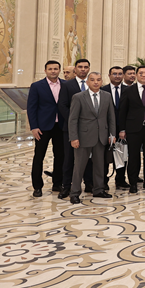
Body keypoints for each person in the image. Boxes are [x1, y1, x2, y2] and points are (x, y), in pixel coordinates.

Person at [67, 72, 116, 204]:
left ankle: (98, 190)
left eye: (98, 80)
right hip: (83, 137)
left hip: (101, 137)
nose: (96, 82)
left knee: (100, 165)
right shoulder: (78, 97)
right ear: (87, 82)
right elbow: (73, 119)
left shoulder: (107, 96)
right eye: (93, 80)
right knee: (79, 167)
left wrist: (112, 135)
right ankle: (75, 193)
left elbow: (111, 117)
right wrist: (73, 137)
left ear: (101, 82)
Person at [28, 60, 67, 197]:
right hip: (42, 127)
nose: (53, 71)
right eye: (50, 69)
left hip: (60, 126)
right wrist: (34, 127)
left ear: (59, 70)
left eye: (55, 69)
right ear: (45, 71)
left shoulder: (66, 85)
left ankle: (57, 183)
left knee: (60, 156)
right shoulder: (37, 86)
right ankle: (37, 186)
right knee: (39, 156)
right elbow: (31, 108)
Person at [58, 58, 93, 199]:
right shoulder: (67, 85)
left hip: (89, 129)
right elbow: (62, 105)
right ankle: (66, 186)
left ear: (89, 69)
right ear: (75, 69)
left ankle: (89, 183)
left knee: (89, 158)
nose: (83, 69)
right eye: (80, 67)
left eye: (86, 67)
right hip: (71, 128)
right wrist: (75, 120)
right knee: (69, 159)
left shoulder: (93, 84)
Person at [100, 66, 130, 190]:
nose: (117, 76)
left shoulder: (129, 90)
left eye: (120, 74)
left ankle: (120, 179)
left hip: (123, 128)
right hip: (105, 128)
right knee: (104, 155)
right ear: (109, 75)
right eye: (114, 74)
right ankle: (103, 181)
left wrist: (124, 128)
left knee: (122, 155)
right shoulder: (102, 90)